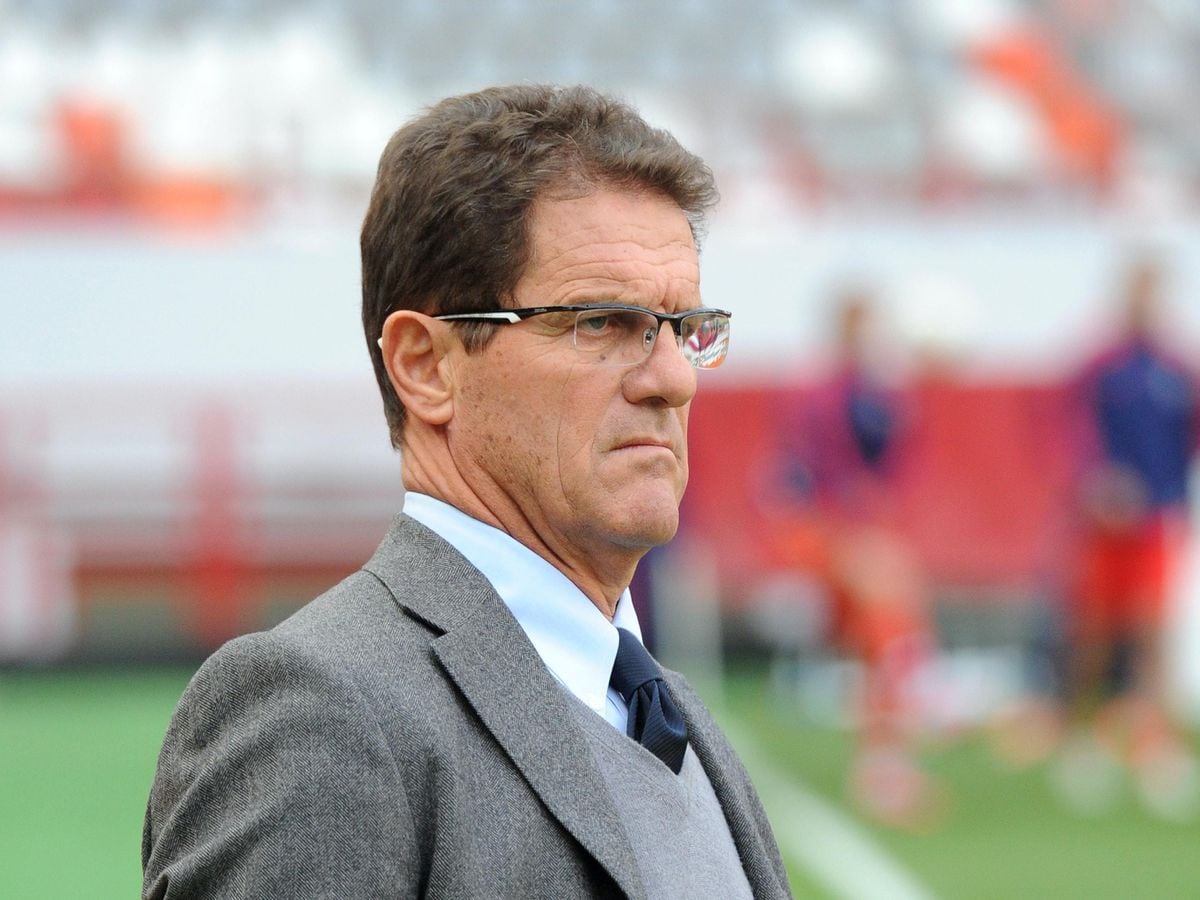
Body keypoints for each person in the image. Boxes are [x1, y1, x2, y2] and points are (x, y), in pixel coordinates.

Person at [141, 84, 791, 898]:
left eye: (685, 328)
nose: (671, 380)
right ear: (425, 366)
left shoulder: (675, 717)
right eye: (600, 322)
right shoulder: (316, 714)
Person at [775, 288, 941, 829]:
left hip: (860, 531)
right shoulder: (822, 395)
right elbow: (806, 478)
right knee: (890, 627)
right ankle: (884, 766)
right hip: (829, 533)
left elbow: (892, 466)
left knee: (893, 635)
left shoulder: (877, 394)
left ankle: (885, 763)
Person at [1055, 255, 1200, 819]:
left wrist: (1174, 497)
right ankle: (1081, 738)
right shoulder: (1100, 364)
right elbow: (1063, 428)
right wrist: (1092, 481)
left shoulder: (1176, 367)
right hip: (1102, 523)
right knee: (1093, 631)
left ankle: (1151, 742)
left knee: (1150, 631)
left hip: (1157, 519)